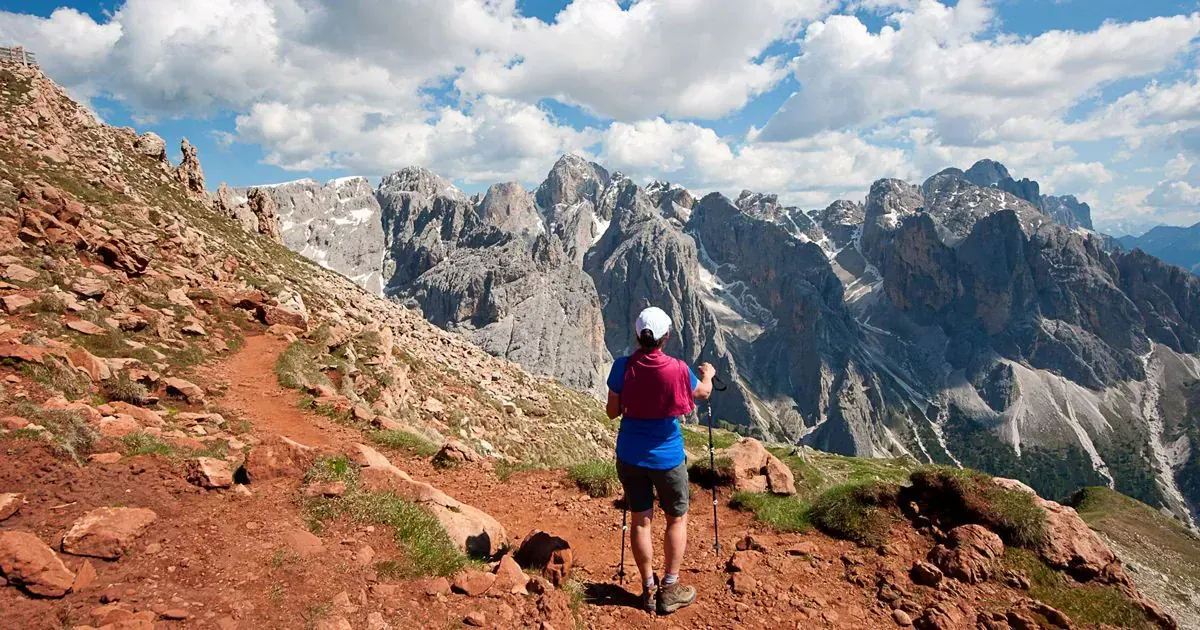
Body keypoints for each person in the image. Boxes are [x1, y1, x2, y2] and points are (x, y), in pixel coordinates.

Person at [606, 306, 716, 615]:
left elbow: (612, 412)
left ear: (637, 335)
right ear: (666, 336)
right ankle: (670, 587)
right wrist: (708, 374)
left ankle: (648, 588)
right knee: (676, 518)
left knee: (641, 521)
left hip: (630, 455)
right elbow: (703, 393)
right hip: (667, 458)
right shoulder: (679, 369)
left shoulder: (621, 368)